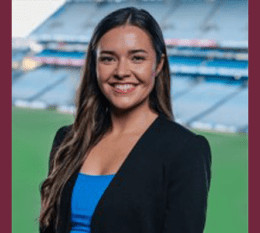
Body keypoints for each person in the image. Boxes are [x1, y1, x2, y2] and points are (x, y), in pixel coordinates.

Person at [39, 7, 212, 233]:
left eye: (137, 58)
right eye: (108, 59)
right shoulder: (67, 140)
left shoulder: (185, 151)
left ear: (158, 65)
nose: (121, 71)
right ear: (95, 64)